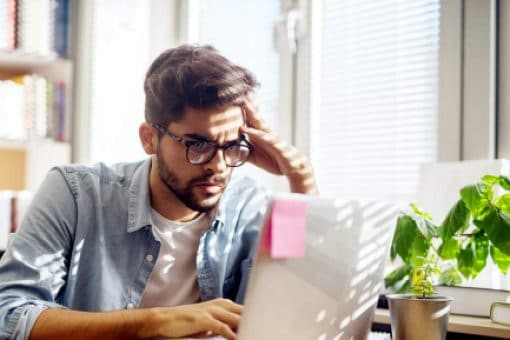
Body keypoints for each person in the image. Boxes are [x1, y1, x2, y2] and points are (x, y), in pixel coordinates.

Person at [0, 44, 317, 340]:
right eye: (199, 145)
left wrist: (299, 175)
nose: (219, 166)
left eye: (233, 146)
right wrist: (158, 321)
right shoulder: (75, 193)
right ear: (149, 138)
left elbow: (290, 315)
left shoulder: (250, 208)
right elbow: (11, 314)